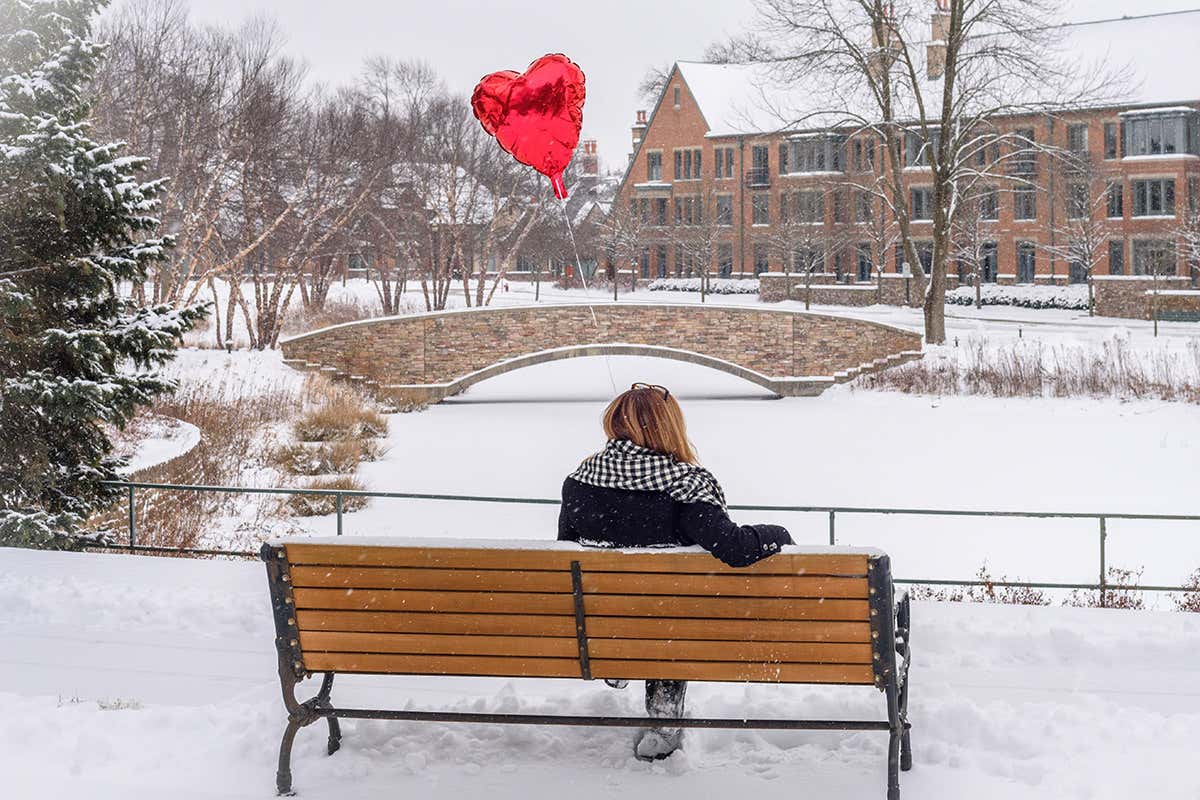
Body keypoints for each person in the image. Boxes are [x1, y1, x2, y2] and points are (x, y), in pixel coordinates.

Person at [558, 382, 793, 761]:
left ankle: (620, 656)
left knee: (638, 606)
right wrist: (779, 534)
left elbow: (566, 554)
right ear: (670, 428)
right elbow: (733, 548)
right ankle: (664, 721)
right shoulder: (683, 486)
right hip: (667, 623)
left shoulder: (580, 482)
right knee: (669, 614)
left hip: (605, 622)